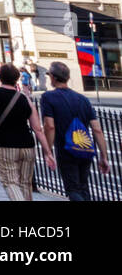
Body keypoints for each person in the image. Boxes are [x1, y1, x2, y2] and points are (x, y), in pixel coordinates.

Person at [0, 64, 55, 200]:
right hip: (27, 146)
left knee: (10, 182)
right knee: (25, 184)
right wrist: (48, 152)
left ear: (0, 77)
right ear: (16, 79)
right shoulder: (24, 98)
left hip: (5, 145)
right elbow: (37, 129)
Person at [39, 60, 111, 201]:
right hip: (85, 149)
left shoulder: (48, 97)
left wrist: (47, 151)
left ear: (53, 77)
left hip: (66, 150)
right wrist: (104, 156)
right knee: (83, 187)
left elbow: (50, 126)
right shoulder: (83, 99)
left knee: (73, 189)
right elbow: (97, 130)